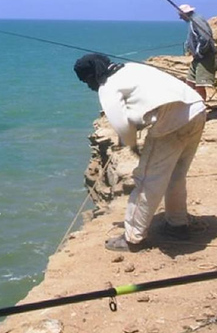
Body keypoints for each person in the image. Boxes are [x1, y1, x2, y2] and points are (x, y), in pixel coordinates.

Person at [73, 53, 206, 252]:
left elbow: (121, 125)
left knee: (146, 180)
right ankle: (177, 224)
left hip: (172, 122)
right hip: (196, 110)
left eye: (86, 81)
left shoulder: (107, 87)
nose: (88, 86)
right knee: (176, 174)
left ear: (92, 75)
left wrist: (133, 146)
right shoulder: (132, 68)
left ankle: (132, 238)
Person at [178, 4, 217, 101]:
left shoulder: (197, 20)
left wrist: (199, 52)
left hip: (204, 57)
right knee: (190, 82)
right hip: (197, 58)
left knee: (199, 86)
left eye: (181, 15)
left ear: (185, 13)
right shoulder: (193, 21)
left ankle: (201, 107)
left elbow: (205, 38)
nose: (180, 17)